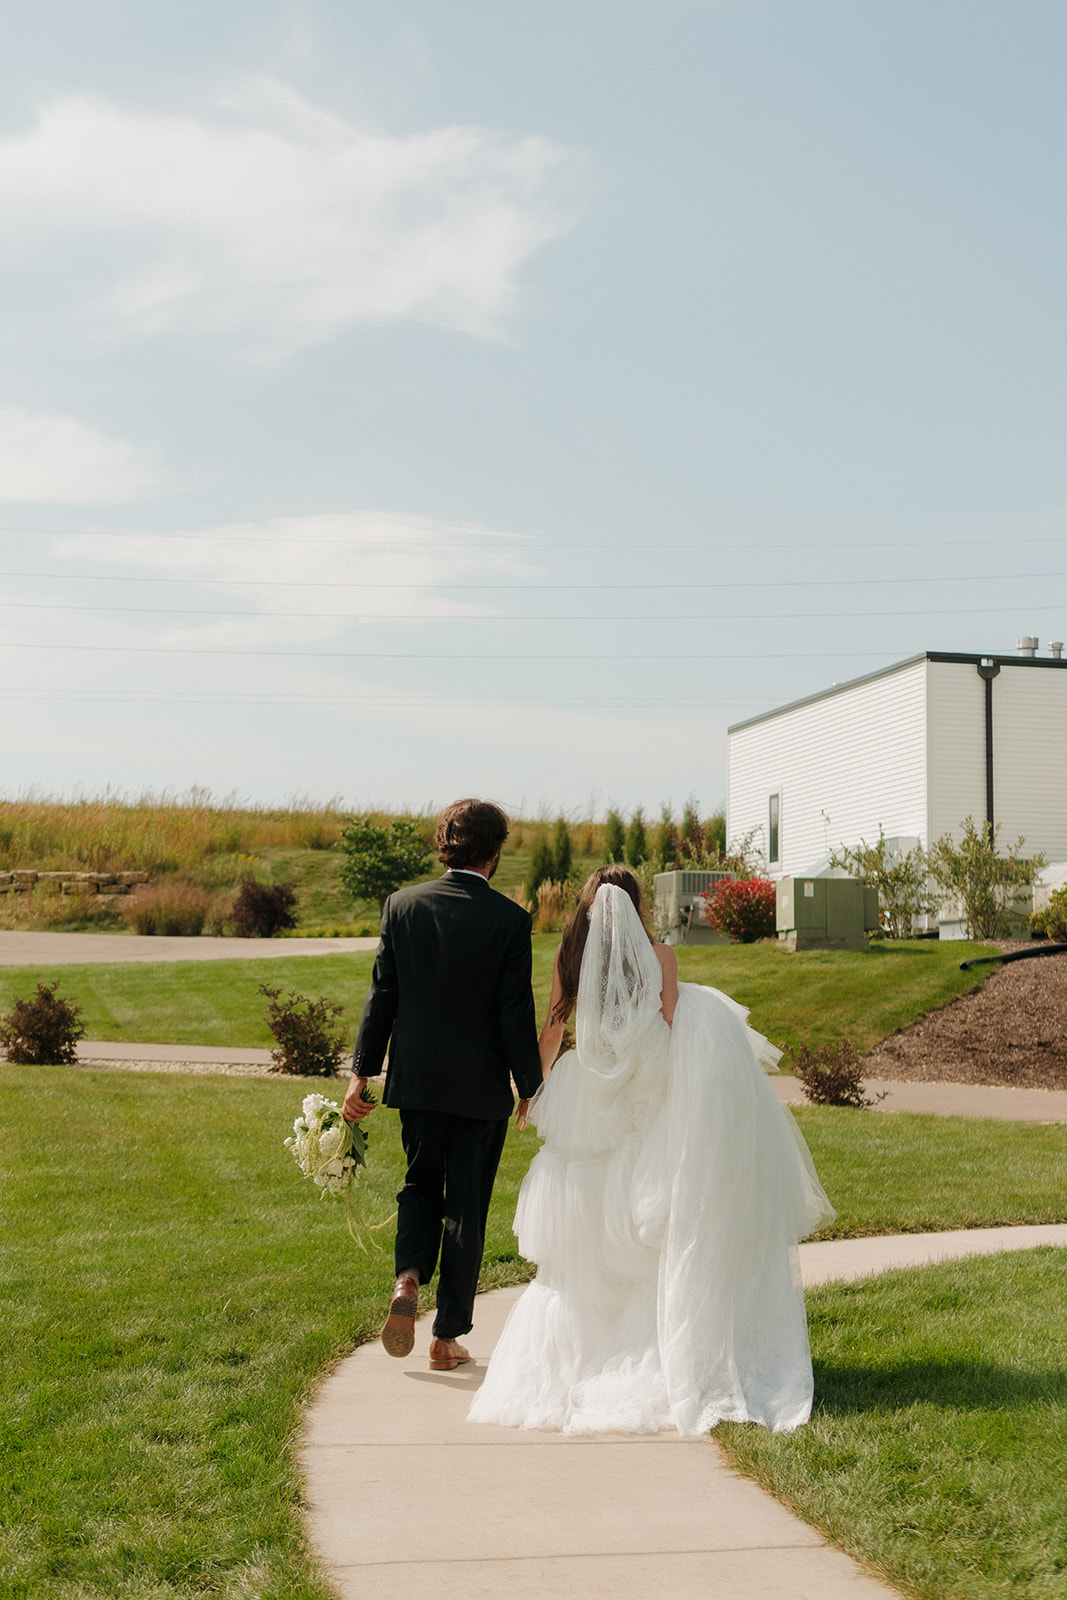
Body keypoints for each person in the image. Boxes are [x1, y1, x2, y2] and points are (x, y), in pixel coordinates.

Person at [469, 864, 836, 1435]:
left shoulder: (569, 959)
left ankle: (581, 1358)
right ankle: (659, 1348)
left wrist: (532, 1092)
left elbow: (552, 1032)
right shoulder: (660, 957)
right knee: (651, 1235)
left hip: (587, 1098)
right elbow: (667, 1027)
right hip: (643, 1099)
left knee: (588, 1241)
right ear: (636, 907)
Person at [342, 798, 542, 1373]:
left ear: (445, 844)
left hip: (418, 1082)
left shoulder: (401, 906)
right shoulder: (509, 920)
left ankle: (407, 1279)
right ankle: (446, 1336)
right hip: (480, 1089)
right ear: (495, 851)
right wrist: (529, 1084)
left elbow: (383, 996)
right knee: (468, 1206)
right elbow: (512, 1011)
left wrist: (363, 1071)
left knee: (419, 1185)